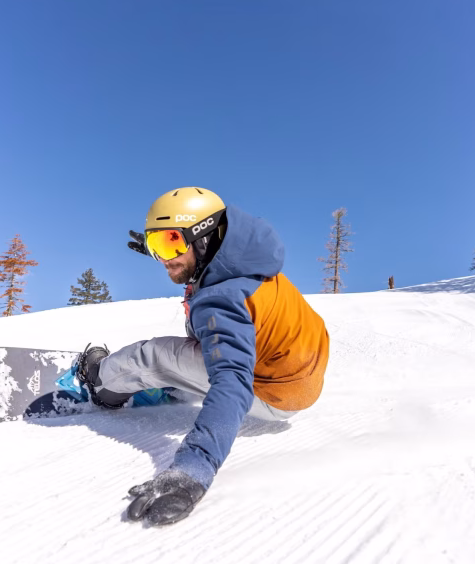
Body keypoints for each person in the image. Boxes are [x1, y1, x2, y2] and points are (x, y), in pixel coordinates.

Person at [77, 186, 329, 526]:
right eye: (156, 246)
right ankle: (174, 384)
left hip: (267, 392)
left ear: (204, 237)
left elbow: (232, 383)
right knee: (196, 316)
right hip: (295, 383)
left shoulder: (222, 298)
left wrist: (193, 470)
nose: (164, 259)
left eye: (171, 243)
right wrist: (167, 247)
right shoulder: (246, 259)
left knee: (152, 354)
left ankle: (100, 385)